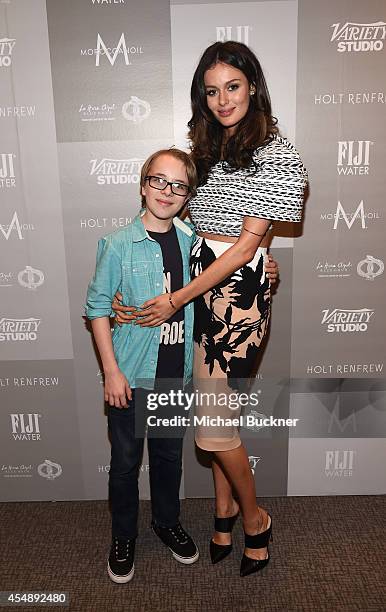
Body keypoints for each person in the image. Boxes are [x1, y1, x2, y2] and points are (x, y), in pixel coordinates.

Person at [113, 41, 307, 578]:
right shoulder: (205, 148)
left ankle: (255, 518)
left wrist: (180, 296)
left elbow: (245, 247)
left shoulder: (277, 152)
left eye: (233, 87)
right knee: (217, 413)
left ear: (254, 86)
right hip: (203, 288)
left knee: (213, 430)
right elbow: (189, 224)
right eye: (212, 90)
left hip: (234, 299)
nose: (223, 100)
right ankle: (221, 512)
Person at [85, 149, 200, 584]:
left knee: (169, 458)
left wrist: (265, 266)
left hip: (176, 373)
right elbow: (97, 308)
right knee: (125, 464)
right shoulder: (117, 244)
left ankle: (166, 523)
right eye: (158, 180)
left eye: (178, 185)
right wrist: (111, 372)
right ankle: (124, 535)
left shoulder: (194, 243)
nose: (167, 192)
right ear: (142, 185)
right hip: (130, 377)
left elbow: (227, 275)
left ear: (188, 194)